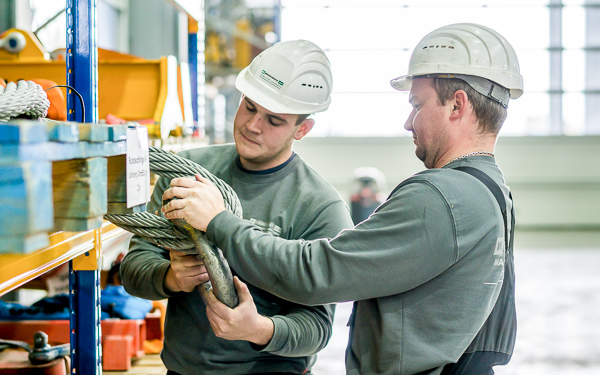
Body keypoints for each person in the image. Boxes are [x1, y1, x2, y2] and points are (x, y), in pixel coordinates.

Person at [162, 23, 522, 375]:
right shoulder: (491, 191)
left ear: (457, 106)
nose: (409, 122)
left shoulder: (443, 197)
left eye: (417, 104)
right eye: (250, 107)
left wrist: (219, 221)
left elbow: (316, 273)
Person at [120, 40, 354, 375]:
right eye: (249, 107)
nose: (252, 125)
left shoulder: (319, 208)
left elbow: (317, 329)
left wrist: (258, 329)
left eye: (274, 120)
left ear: (302, 129)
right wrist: (170, 277)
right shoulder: (186, 173)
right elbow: (134, 269)